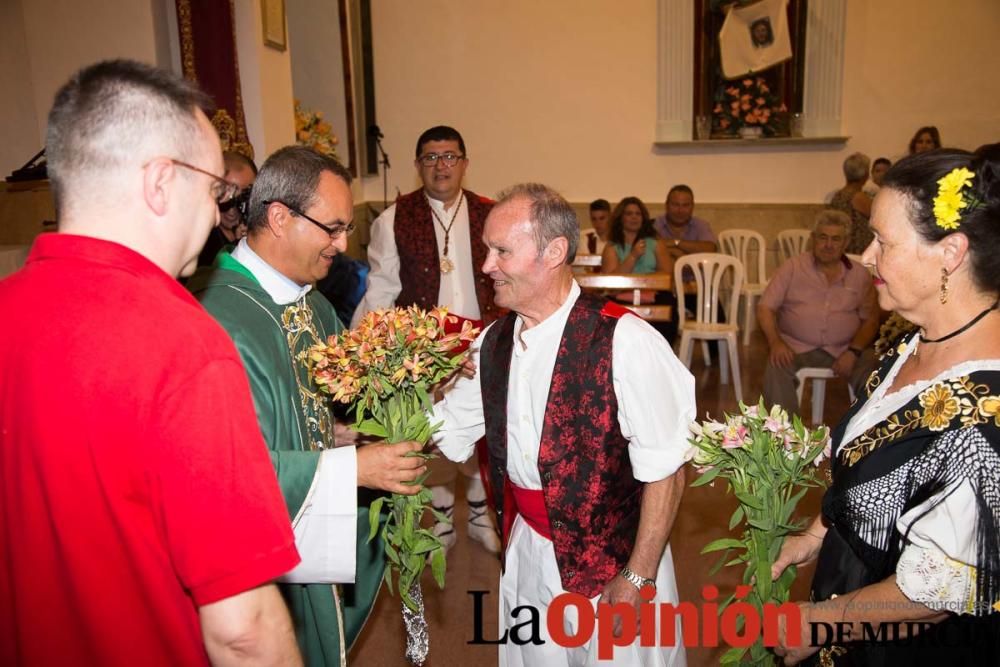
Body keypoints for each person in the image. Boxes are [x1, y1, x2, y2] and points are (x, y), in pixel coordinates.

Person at [0, 59, 301, 665]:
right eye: (216, 190)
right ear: (161, 181)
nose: (220, 217)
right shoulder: (183, 343)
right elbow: (244, 633)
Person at [432, 183, 695, 665]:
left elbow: (667, 468)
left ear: (553, 252)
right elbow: (445, 431)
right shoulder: (491, 343)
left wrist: (638, 575)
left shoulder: (626, 339)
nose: (487, 265)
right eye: (487, 250)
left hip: (613, 563)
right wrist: (408, 389)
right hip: (528, 551)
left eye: (501, 251)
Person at [190, 146, 426, 666]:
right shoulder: (215, 319)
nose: (343, 245)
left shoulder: (312, 304)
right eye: (333, 228)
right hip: (254, 576)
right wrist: (355, 469)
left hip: (312, 536)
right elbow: (223, 476)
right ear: (279, 217)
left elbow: (307, 409)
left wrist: (345, 433)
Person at [772, 146, 1000, 665]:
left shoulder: (985, 418)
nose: (865, 256)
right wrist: (815, 535)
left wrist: (819, 623)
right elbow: (875, 466)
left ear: (951, 253)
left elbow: (934, 594)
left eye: (882, 241)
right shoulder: (912, 342)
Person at [352, 125, 500, 555]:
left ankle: (477, 514)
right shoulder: (393, 218)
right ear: (418, 166)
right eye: (431, 157)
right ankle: (441, 521)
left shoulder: (489, 214)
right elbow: (381, 287)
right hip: (425, 352)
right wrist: (372, 345)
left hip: (479, 341)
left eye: (450, 156)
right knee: (432, 433)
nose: (441, 165)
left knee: (479, 431)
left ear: (465, 163)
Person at [758, 210, 879, 416]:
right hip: (796, 348)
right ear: (813, 239)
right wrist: (775, 342)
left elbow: (871, 319)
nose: (828, 245)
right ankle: (784, 437)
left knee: (876, 371)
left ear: (846, 242)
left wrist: (854, 351)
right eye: (822, 237)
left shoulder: (859, 275)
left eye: (836, 239)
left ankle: (867, 434)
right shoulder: (793, 268)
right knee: (776, 363)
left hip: (845, 349)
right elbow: (765, 308)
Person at [197, 149, 256, 267]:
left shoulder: (261, 232)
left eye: (243, 196)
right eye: (224, 194)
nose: (232, 209)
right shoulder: (199, 240)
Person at [600, 196, 673, 276]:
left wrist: (643, 281)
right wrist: (633, 256)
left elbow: (667, 274)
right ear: (620, 218)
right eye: (629, 214)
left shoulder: (656, 244)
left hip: (652, 288)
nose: (634, 217)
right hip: (623, 288)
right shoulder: (612, 247)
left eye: (638, 214)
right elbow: (610, 282)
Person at [652, 184, 718, 258]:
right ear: (666, 205)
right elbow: (651, 250)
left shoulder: (700, 224)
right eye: (675, 205)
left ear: (692, 207)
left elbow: (710, 248)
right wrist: (676, 252)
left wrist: (676, 242)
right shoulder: (655, 224)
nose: (680, 210)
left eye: (685, 205)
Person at [829, 152, 874, 254]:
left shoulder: (838, 196)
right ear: (864, 174)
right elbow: (879, 218)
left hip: (841, 249)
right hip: (857, 251)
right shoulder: (858, 197)